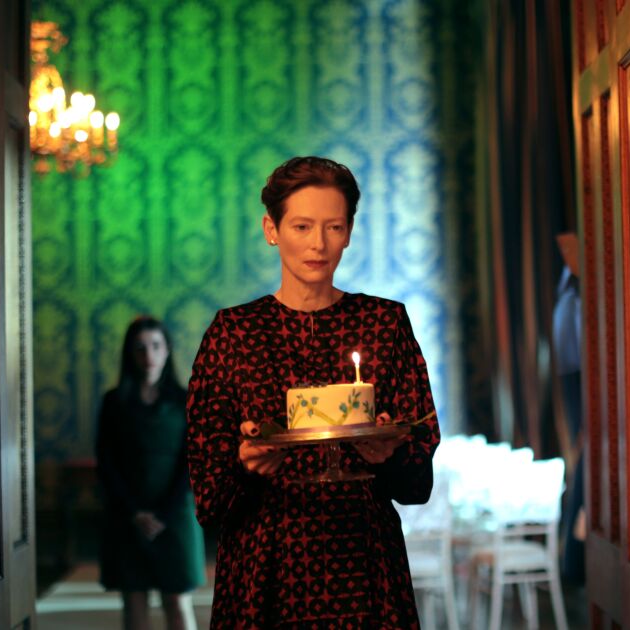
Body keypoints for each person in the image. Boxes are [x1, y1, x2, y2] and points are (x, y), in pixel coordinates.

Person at [186, 156, 441, 627]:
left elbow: (418, 486)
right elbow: (209, 497)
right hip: (264, 567)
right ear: (272, 229)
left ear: (348, 233)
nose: (318, 244)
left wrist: (388, 455)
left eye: (333, 227)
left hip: (365, 563)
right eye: (302, 226)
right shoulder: (233, 333)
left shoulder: (384, 324)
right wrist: (246, 464)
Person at [96, 316, 206, 630]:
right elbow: (106, 461)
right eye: (140, 348)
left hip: (175, 512)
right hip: (128, 514)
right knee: (134, 601)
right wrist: (135, 512)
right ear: (130, 353)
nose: (149, 355)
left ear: (167, 350)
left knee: (177, 602)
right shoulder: (114, 402)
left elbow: (192, 461)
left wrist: (164, 514)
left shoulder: (186, 399)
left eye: (156, 346)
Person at [552, 232, 586, 585]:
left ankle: (575, 557)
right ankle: (574, 556)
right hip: (575, 377)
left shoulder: (578, 291)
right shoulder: (569, 291)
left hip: (585, 376)